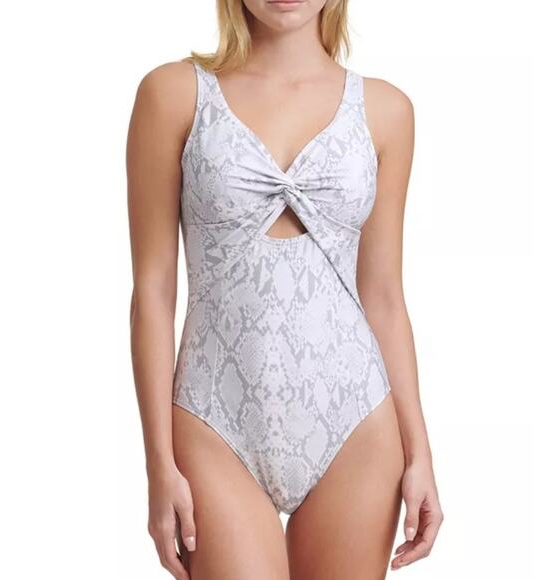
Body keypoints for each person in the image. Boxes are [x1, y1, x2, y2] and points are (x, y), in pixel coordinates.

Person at [126, 1, 443, 578]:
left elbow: (384, 296)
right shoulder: (172, 95)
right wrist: (157, 464)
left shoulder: (387, 110)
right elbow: (152, 291)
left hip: (356, 423)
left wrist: (420, 453)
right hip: (214, 418)